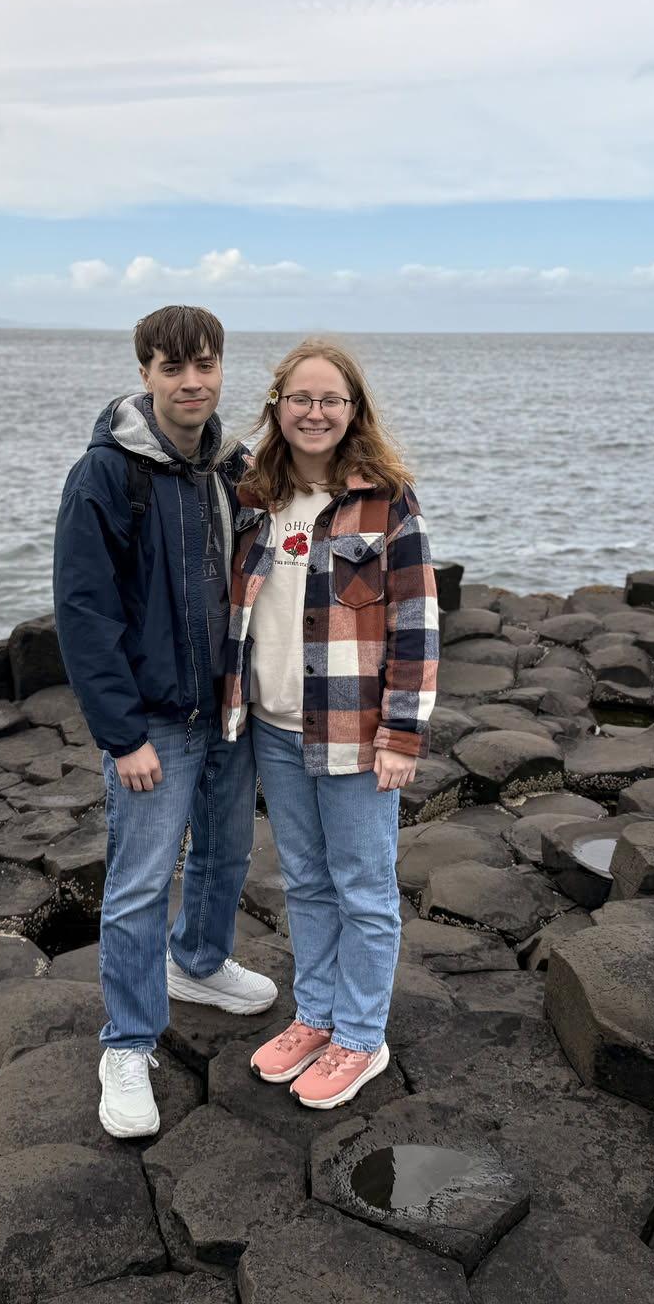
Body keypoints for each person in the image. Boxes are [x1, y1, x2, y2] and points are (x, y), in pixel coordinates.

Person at [53, 304, 277, 1140]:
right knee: (140, 881)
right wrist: (122, 735)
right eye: (173, 367)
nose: (192, 382)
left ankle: (200, 963)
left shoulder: (231, 463)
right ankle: (127, 1042)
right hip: (153, 720)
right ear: (144, 372)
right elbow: (83, 612)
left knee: (226, 852)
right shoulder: (107, 474)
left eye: (206, 364)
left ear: (222, 368)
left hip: (228, 708)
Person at [221, 340, 438, 1108]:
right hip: (273, 730)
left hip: (352, 732)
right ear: (277, 406)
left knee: (365, 889)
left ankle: (360, 1037)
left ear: (353, 413)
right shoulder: (254, 498)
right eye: (300, 399)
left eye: (330, 401)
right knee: (305, 882)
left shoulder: (387, 501)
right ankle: (315, 1016)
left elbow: (415, 626)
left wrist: (402, 735)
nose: (314, 413)